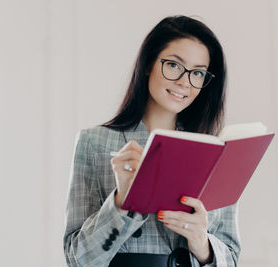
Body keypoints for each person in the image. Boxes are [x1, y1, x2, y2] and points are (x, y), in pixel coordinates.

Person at [63, 15, 241, 267]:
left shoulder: (214, 152)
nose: (184, 82)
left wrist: (202, 245)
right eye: (173, 65)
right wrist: (122, 202)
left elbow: (232, 258)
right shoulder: (95, 142)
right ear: (148, 63)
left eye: (198, 73)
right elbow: (77, 259)